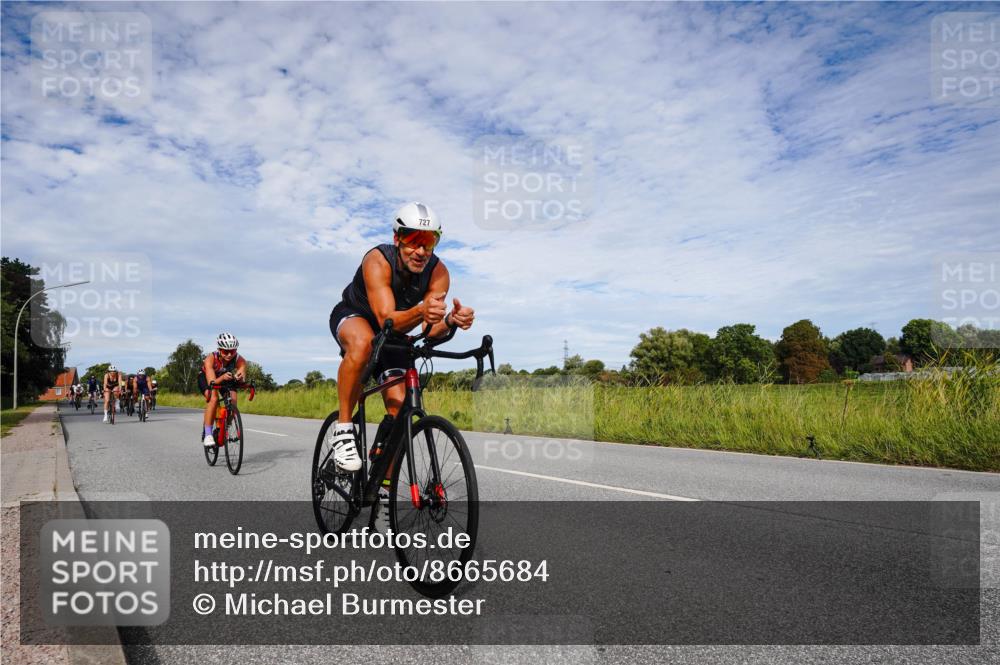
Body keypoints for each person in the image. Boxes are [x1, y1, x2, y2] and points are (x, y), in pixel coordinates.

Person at [327, 202, 475, 476]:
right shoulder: (377, 260)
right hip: (356, 316)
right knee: (363, 344)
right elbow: (385, 319)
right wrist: (420, 310)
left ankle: (382, 494)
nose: (420, 251)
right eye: (412, 240)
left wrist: (450, 321)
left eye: (429, 241)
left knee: (399, 412)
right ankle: (344, 429)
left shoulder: (439, 273)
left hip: (395, 334)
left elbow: (428, 331)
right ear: (397, 239)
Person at [198, 333, 247, 447]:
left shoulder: (240, 360)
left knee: (233, 401)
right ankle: (208, 434)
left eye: (233, 351)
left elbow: (242, 376)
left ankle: (223, 428)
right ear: (219, 349)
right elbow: (212, 383)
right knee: (213, 398)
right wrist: (223, 377)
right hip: (207, 378)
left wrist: (240, 378)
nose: (229, 354)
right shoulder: (210, 359)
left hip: (225, 377)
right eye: (225, 351)